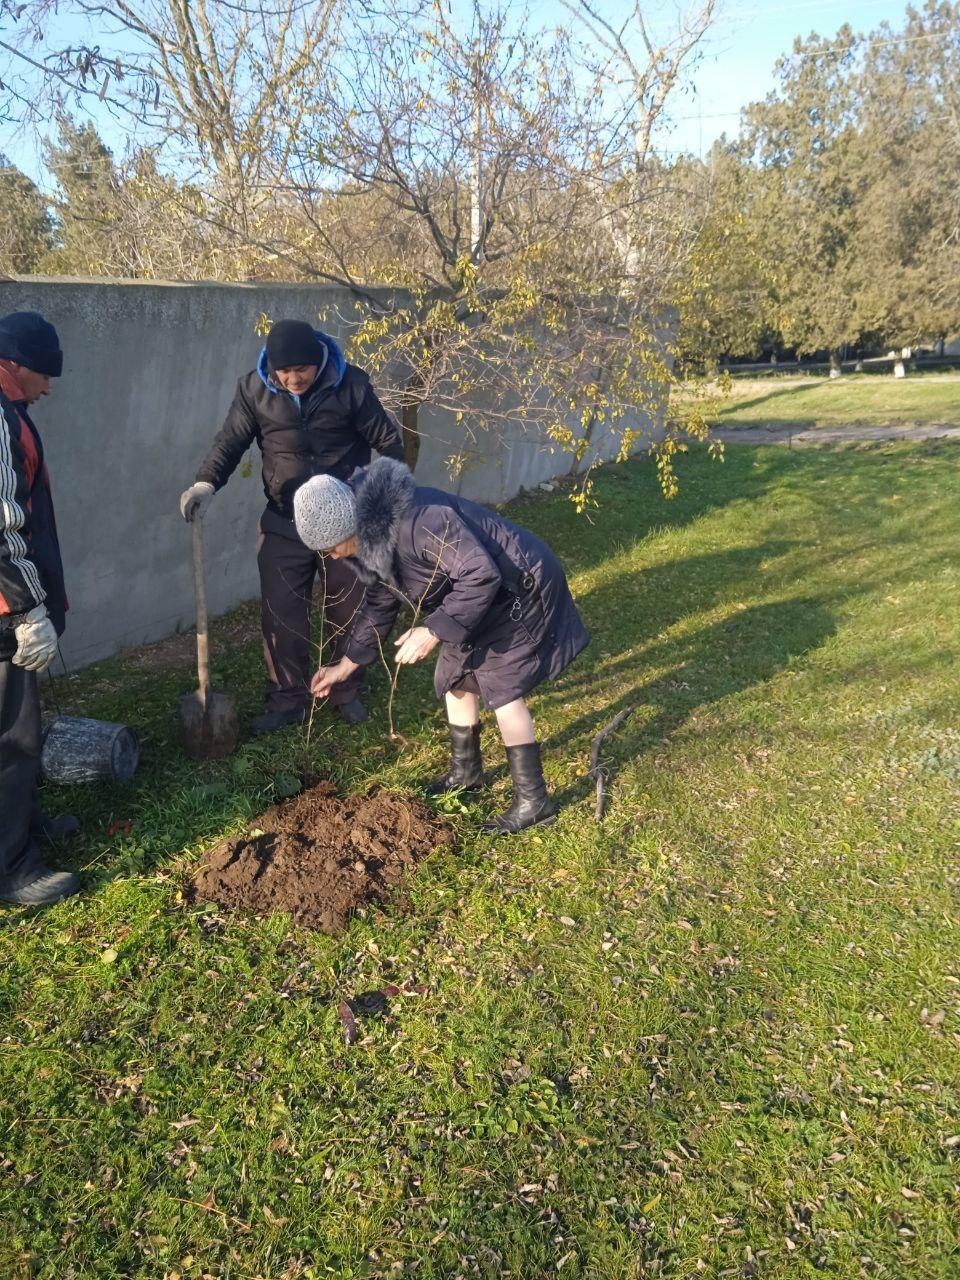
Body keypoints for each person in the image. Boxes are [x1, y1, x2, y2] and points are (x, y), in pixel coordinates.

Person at [293, 457, 589, 834]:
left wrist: (432, 631)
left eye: (330, 546)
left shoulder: (421, 521)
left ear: (348, 524)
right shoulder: (374, 540)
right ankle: (466, 776)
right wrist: (346, 665)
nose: (331, 556)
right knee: (455, 678)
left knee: (502, 688)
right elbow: (382, 602)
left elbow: (481, 573)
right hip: (473, 597)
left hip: (518, 587)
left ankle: (534, 802)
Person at [179, 319, 405, 734]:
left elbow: (389, 443)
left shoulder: (351, 385)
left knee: (348, 607)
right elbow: (230, 442)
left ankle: (345, 690)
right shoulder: (254, 389)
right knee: (281, 613)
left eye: (301, 369)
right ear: (272, 368)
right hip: (285, 519)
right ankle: (288, 699)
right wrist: (205, 484)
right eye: (284, 371)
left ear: (319, 360)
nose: (293, 378)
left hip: (346, 523)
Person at [0, 311, 81, 906]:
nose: (50, 387)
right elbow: (4, 528)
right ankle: (13, 868)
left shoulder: (13, 412)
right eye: (44, 375)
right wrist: (28, 610)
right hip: (4, 610)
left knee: (19, 721)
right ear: (14, 366)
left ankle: (23, 825)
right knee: (14, 735)